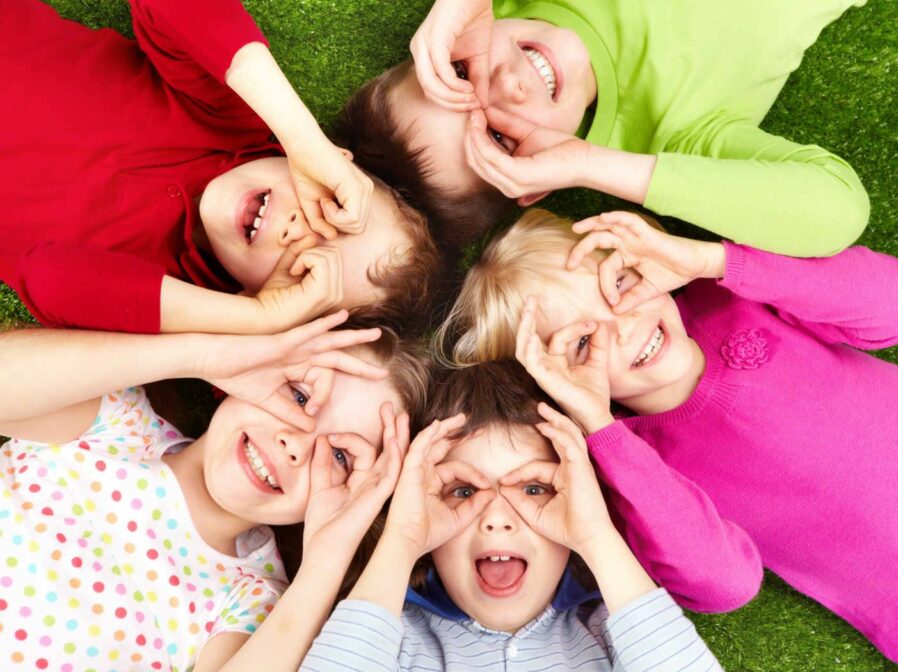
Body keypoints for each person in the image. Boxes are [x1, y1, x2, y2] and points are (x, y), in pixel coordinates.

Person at [437, 209, 898, 671]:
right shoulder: (637, 465)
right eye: (584, 345)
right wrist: (597, 426)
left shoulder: (732, 295)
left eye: (619, 283)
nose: (626, 324)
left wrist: (713, 261)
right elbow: (723, 585)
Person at [0, 312, 430, 671]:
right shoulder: (119, 424)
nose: (295, 443)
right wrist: (204, 355)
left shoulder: (254, 599)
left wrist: (326, 560)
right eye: (298, 396)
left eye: (339, 456)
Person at [0, 0, 442, 336]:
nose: (296, 232)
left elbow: (46, 277)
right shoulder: (233, 121)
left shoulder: (166, 301)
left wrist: (254, 318)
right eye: (332, 208)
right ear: (339, 165)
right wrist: (302, 137)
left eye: (306, 271)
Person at [336, 0, 869, 253]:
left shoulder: (498, 8)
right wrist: (598, 167)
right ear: (538, 178)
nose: (506, 84)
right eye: (499, 137)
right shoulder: (676, 134)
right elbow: (838, 211)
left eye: (459, 73)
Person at [300, 361, 722, 672]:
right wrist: (403, 540)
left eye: (534, 489)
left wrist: (597, 536)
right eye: (463, 491)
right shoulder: (392, 639)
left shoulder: (613, 634)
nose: (497, 519)